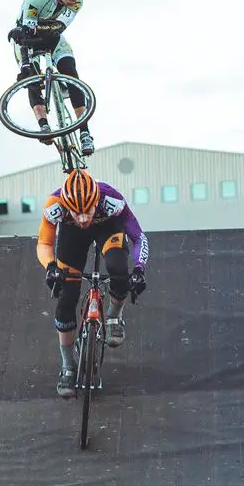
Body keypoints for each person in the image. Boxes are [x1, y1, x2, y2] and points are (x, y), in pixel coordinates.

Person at [36, 168, 149, 398]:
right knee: (66, 299)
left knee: (119, 271)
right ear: (67, 206)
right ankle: (68, 366)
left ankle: (115, 315)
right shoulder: (54, 205)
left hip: (107, 228)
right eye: (77, 212)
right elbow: (44, 244)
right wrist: (50, 267)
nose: (84, 218)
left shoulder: (112, 200)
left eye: (87, 210)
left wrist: (139, 269)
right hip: (71, 234)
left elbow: (139, 237)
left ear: (96, 199)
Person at [7, 0, 95, 155]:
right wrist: (25, 65)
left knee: (71, 73)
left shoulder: (77, 3)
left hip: (53, 39)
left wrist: (37, 28)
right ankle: (44, 125)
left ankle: (85, 133)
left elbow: (58, 29)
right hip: (26, 41)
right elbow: (25, 34)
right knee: (31, 76)